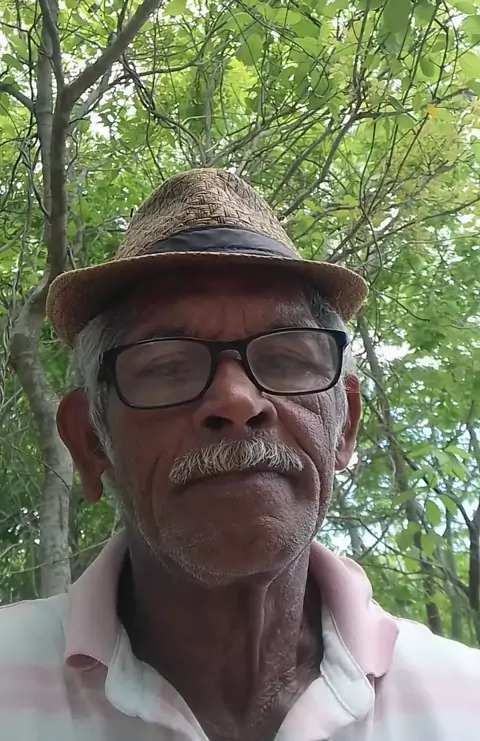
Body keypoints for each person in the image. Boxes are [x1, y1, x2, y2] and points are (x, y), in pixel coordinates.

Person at [0, 168, 478, 741]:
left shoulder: (465, 703)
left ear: (345, 425)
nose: (235, 400)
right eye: (167, 366)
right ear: (90, 440)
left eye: (287, 360)